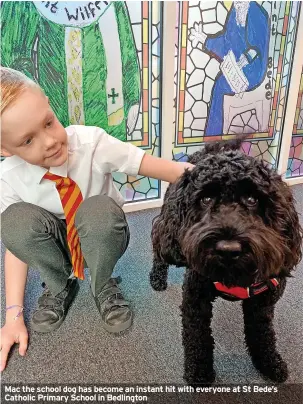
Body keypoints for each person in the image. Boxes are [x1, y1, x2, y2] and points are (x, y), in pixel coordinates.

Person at [0, 67, 193, 372]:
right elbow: (16, 245)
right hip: (56, 245)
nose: (49, 141)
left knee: (98, 209)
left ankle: (102, 284)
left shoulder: (91, 142)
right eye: (27, 141)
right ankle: (58, 285)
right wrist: (12, 315)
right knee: (11, 222)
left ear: (49, 105)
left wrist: (219, 174)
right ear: (4, 149)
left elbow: (156, 166)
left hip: (101, 234)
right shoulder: (8, 178)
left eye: (49, 123)